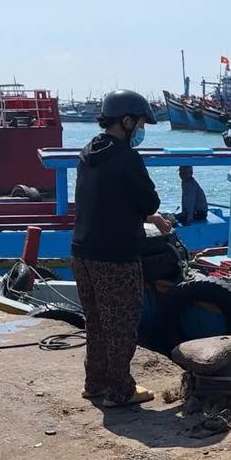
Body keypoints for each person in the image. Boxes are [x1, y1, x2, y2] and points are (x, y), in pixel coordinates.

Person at [71, 90, 172, 407]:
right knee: (122, 325)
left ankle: (95, 382)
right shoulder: (127, 157)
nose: (140, 130)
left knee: (97, 323)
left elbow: (110, 198)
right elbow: (149, 199)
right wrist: (152, 210)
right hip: (116, 257)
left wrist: (149, 216)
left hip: (82, 251)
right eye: (140, 123)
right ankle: (120, 390)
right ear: (127, 121)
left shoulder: (89, 151)